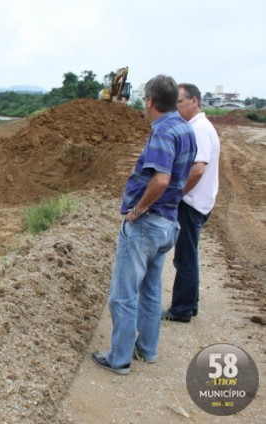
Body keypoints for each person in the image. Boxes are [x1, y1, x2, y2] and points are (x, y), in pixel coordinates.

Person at [91, 75, 197, 375]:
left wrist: (138, 210)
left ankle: (119, 358)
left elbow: (161, 178)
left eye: (143, 100)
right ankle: (147, 350)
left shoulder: (163, 132)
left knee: (123, 294)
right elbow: (189, 173)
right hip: (168, 223)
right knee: (150, 290)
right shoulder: (185, 129)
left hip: (147, 225)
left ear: (149, 101)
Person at [161, 83, 220, 323]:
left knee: (185, 257)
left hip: (192, 202)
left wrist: (177, 194)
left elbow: (197, 169)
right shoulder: (197, 127)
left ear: (194, 101)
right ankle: (190, 303)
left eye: (179, 102)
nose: (176, 107)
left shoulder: (200, 130)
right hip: (197, 200)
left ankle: (182, 309)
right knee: (188, 254)